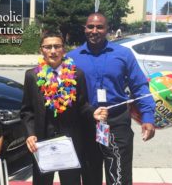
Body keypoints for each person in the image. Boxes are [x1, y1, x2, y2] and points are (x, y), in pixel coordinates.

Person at [67, 12, 156, 185]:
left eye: (100, 27)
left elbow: (139, 86)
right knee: (90, 175)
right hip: (87, 123)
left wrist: (148, 117)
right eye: (90, 26)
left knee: (119, 175)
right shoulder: (72, 58)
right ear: (84, 28)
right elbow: (68, 95)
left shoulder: (123, 54)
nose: (95, 30)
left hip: (117, 122)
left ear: (108, 29)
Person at [20, 31, 108, 185]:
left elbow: (82, 105)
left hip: (70, 141)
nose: (53, 51)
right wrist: (30, 133)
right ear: (41, 50)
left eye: (57, 46)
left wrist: (93, 112)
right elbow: (27, 110)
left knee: (71, 181)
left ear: (63, 49)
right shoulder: (32, 76)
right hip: (43, 140)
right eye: (48, 47)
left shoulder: (76, 74)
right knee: (42, 181)